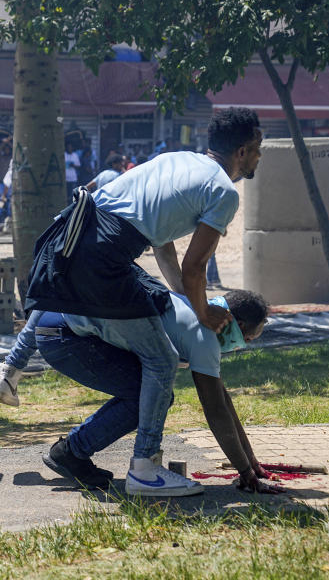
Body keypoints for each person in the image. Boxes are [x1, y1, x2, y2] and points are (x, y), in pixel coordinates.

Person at [21, 107, 263, 496]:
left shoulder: (176, 161)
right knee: (163, 361)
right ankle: (145, 469)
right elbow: (195, 265)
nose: (259, 157)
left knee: (152, 379)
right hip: (102, 258)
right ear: (242, 150)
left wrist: (186, 301)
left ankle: (82, 453)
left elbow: (162, 244)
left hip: (73, 241)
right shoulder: (223, 191)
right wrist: (202, 312)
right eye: (258, 149)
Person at [0, 284, 282, 497]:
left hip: (59, 325)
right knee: (151, 396)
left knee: (151, 393)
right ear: (239, 324)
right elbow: (215, 411)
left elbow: (223, 400)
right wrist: (245, 473)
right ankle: (71, 453)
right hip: (64, 337)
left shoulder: (203, 308)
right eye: (250, 337)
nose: (247, 343)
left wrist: (251, 462)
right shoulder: (205, 336)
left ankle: (71, 453)